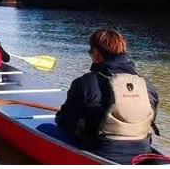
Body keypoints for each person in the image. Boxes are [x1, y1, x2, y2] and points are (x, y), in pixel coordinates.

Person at [55, 29, 159, 164]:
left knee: (46, 127)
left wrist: (60, 118)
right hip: (142, 151)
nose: (90, 55)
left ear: (97, 53)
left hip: (102, 151)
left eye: (90, 52)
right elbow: (150, 120)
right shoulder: (147, 86)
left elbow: (66, 122)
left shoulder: (84, 83)